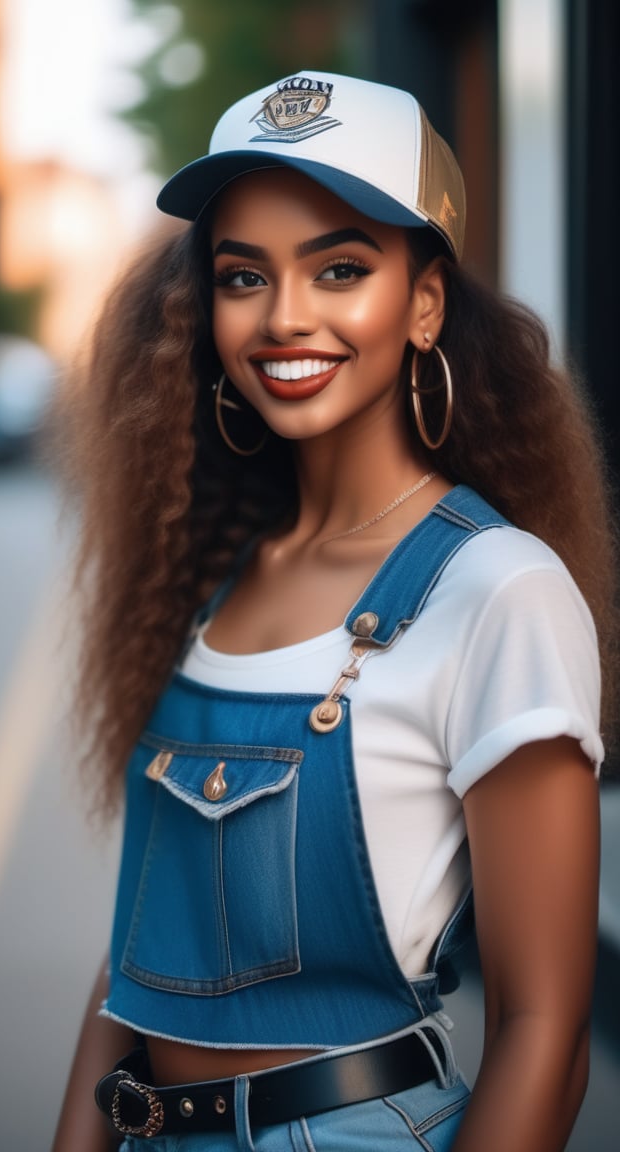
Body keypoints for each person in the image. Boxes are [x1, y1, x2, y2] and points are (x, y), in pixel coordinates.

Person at [52, 71, 617, 1152]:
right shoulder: (216, 576)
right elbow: (136, 961)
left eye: (341, 268)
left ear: (424, 303)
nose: (285, 317)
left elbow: (547, 1031)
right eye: (242, 276)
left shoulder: (499, 591)